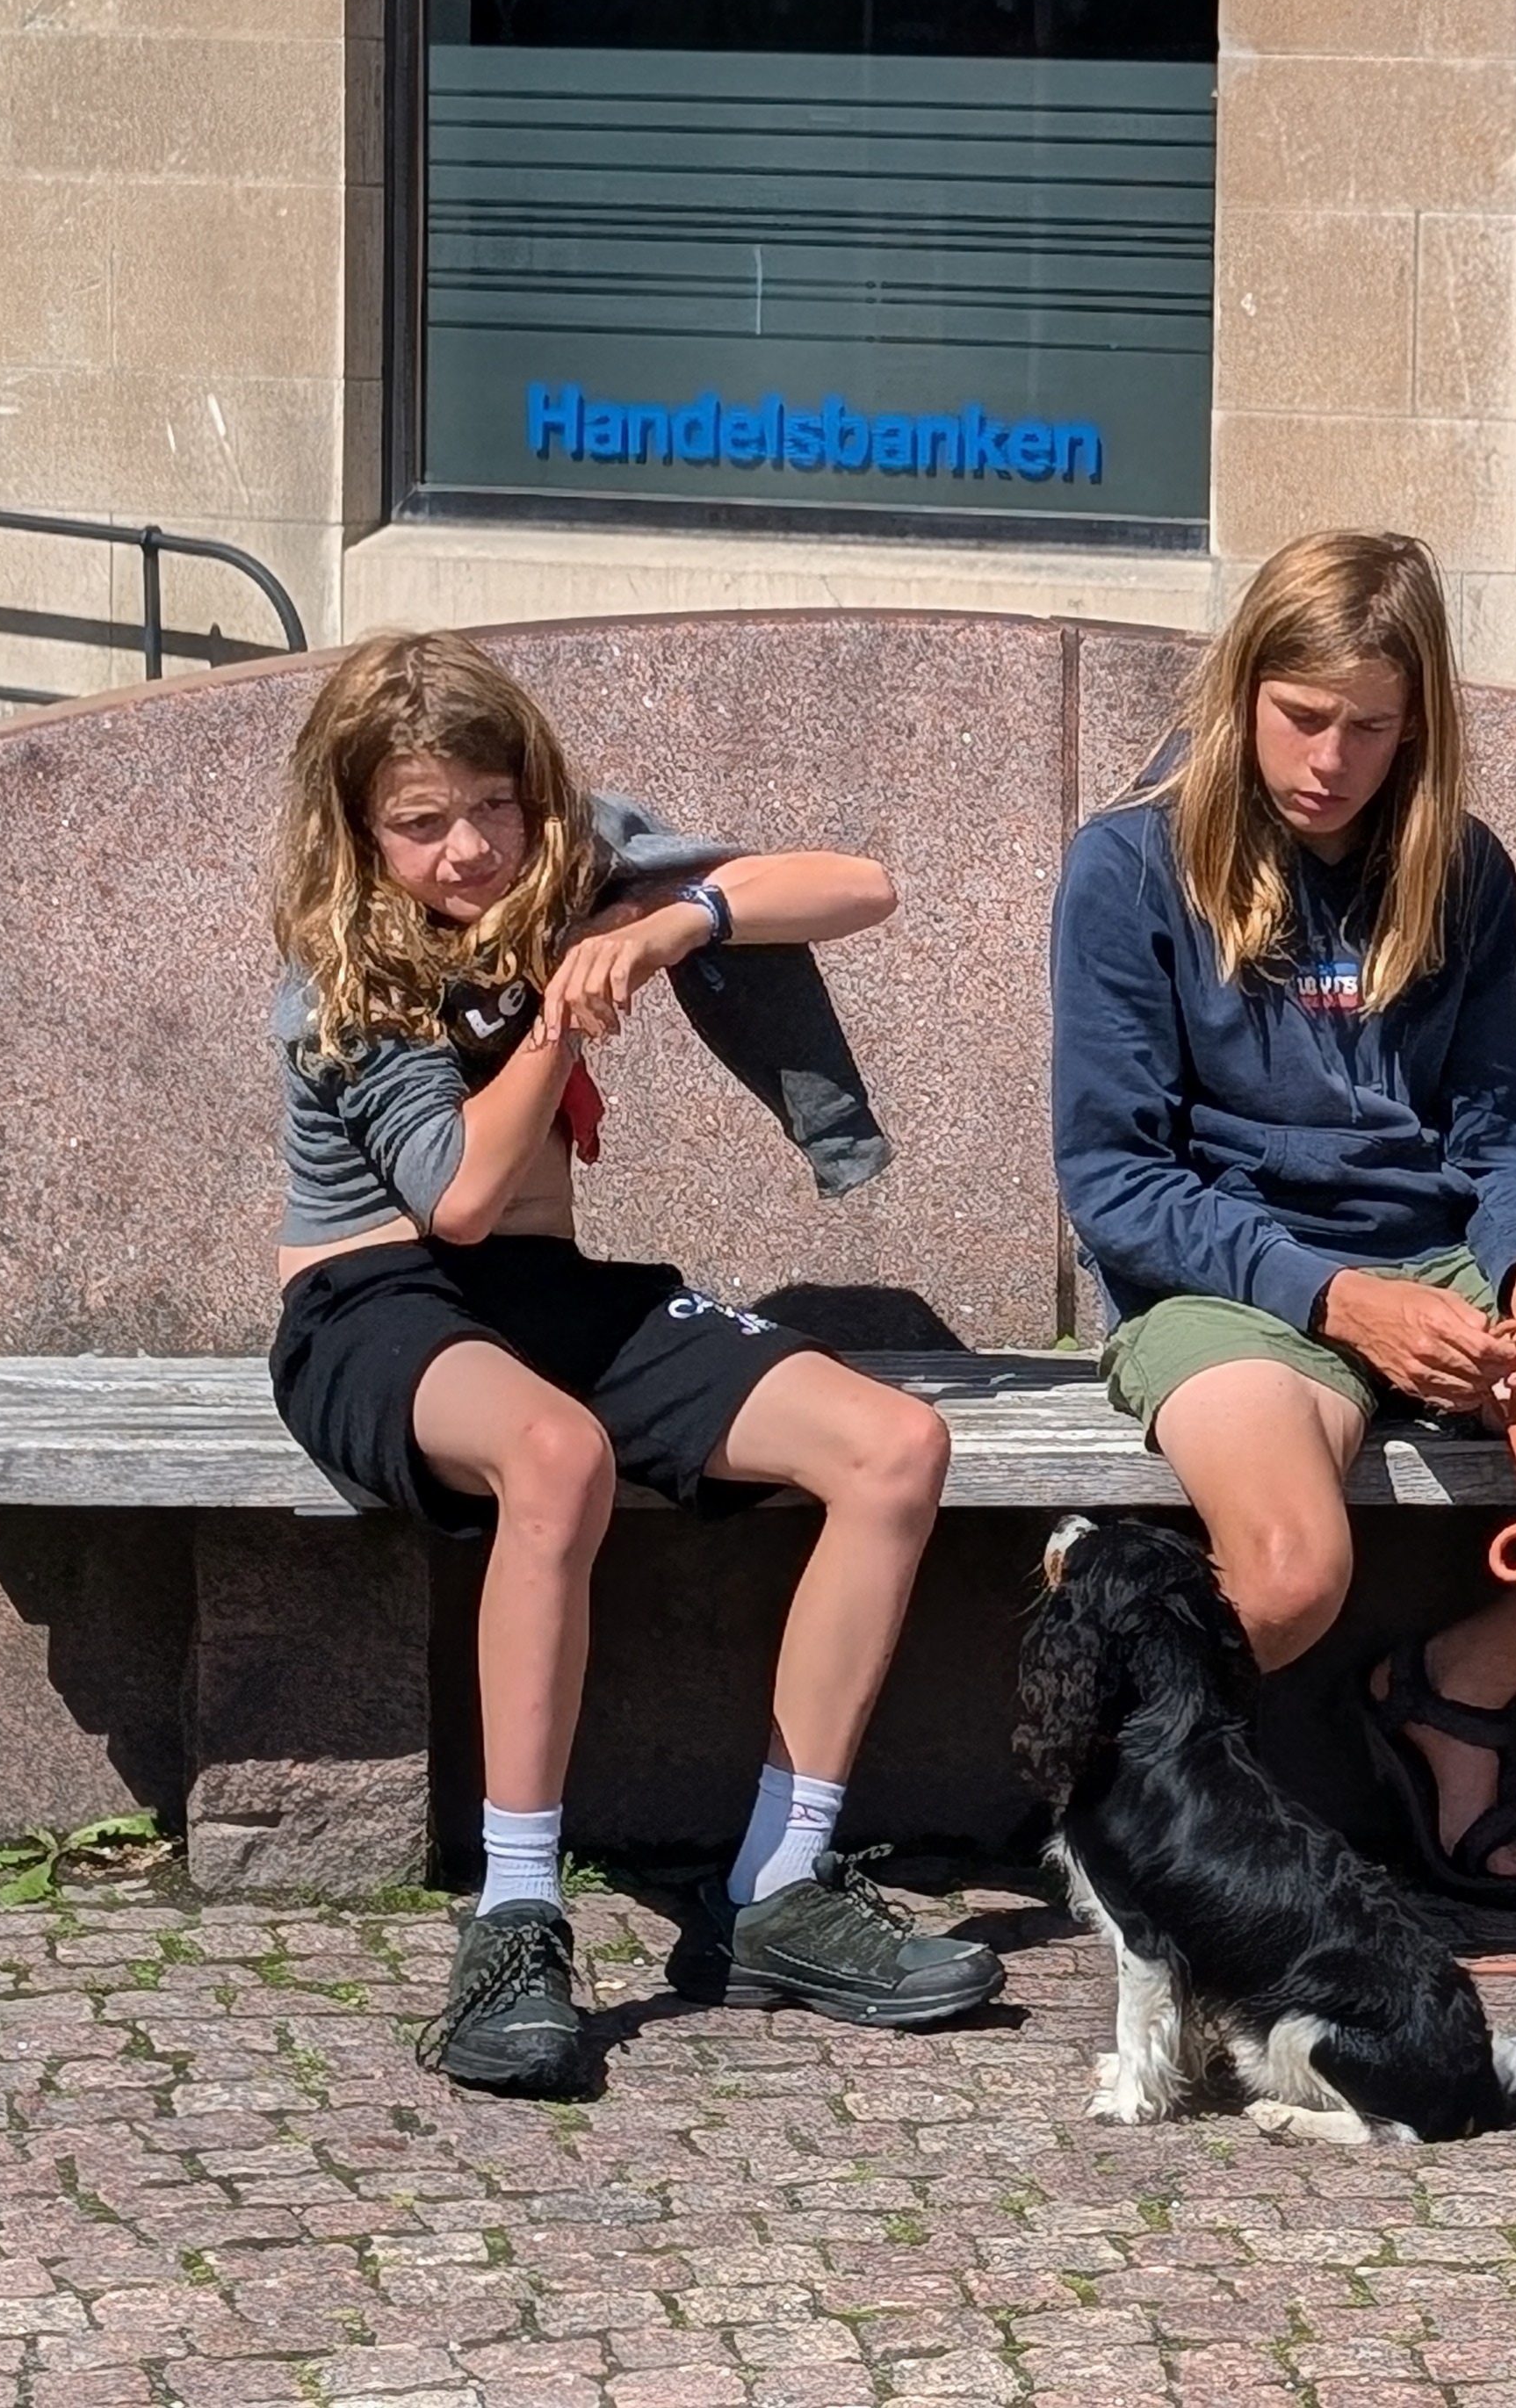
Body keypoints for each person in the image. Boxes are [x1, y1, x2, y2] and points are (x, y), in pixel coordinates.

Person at [269, 631, 1000, 2099]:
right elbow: (457, 1197)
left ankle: (776, 1890)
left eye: (494, 804)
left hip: (548, 1295)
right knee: (558, 1455)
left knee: (894, 1447)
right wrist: (558, 1007)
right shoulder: (341, 973)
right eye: (421, 822)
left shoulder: (574, 852)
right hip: (372, 1301)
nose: (469, 848)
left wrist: (671, 921)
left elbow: (859, 886)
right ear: (358, 833)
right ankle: (514, 1915)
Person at [1050, 528, 1516, 1900]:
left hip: (1448, 1264)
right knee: (1285, 1578)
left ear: (1419, 725)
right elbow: (1115, 1181)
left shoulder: (1461, 868)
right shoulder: (1132, 863)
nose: (1330, 760)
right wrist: (1339, 1302)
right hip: (1229, 1281)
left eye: (1370, 728)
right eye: (1301, 716)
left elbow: (1507, 1128)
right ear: (1243, 689)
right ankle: (1126, 1818)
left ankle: (1455, 1685)